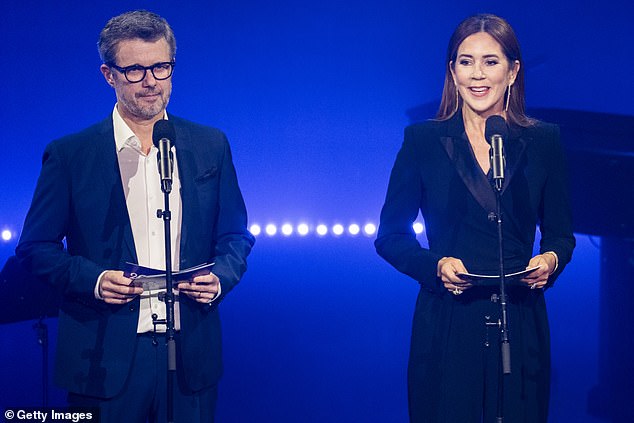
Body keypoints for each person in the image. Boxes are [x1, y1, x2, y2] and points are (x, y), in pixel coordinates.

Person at [16, 10, 254, 422]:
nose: (151, 81)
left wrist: (220, 278)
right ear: (109, 74)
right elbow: (36, 248)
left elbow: (235, 235)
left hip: (189, 353)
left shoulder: (210, 144)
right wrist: (92, 279)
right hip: (104, 356)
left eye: (161, 67)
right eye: (135, 70)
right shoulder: (72, 154)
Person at [375, 14, 575, 423]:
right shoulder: (423, 141)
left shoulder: (543, 141)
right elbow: (390, 235)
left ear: (513, 70)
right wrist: (436, 265)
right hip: (448, 321)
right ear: (452, 71)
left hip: (519, 320)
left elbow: (561, 234)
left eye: (490, 61)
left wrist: (551, 260)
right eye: (465, 62)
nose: (477, 75)